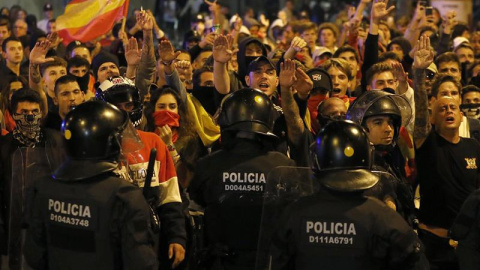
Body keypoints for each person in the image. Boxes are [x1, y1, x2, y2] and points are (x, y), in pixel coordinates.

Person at [268, 120, 425, 269]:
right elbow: (415, 261)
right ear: (368, 158)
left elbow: (277, 261)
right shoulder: (384, 218)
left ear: (317, 160)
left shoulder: (295, 214)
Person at [23, 101, 158, 269]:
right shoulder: (124, 197)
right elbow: (141, 263)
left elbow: (34, 257)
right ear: (108, 143)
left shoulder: (42, 189)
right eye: (119, 139)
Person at [188, 88, 295, 269]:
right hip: (270, 262)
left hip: (222, 262)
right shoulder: (284, 166)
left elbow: (197, 200)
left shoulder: (208, 164)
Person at [96, 76, 186, 268]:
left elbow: (170, 197)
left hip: (147, 237)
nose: (123, 111)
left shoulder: (154, 142)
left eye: (128, 105)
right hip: (105, 237)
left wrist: (177, 237)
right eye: (116, 105)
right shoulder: (93, 145)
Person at [413, 35, 480, 270]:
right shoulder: (427, 143)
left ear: (461, 114)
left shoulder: (473, 147)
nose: (449, 110)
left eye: (453, 107)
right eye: (442, 108)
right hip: (434, 247)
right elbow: (420, 118)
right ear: (433, 115)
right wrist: (419, 74)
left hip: (470, 246)